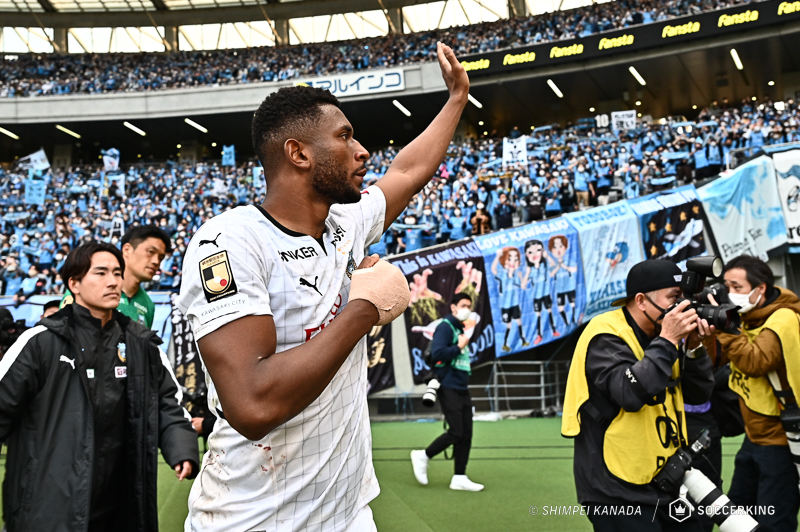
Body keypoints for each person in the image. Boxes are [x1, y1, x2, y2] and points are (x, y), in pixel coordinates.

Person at [176, 42, 468, 531]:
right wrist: (363, 309)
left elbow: (408, 171)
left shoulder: (344, 224)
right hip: (252, 518)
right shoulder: (230, 241)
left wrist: (456, 99)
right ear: (298, 153)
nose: (362, 150)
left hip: (348, 512)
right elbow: (252, 404)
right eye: (344, 136)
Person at [0, 241, 198, 531]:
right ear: (74, 284)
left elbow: (168, 402)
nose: (113, 282)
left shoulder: (141, 343)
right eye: (101, 273)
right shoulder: (40, 342)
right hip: (48, 507)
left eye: (117, 273)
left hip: (120, 506)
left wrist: (181, 448)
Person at [562, 259, 714, 531]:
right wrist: (668, 340)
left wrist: (693, 347)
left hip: (665, 476)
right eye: (674, 298)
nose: (682, 307)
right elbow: (629, 394)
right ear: (641, 300)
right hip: (616, 485)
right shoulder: (605, 332)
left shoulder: (662, 334)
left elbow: (697, 394)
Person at [713, 255, 800, 532]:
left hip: (781, 440)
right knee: (737, 516)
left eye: (737, 287)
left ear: (760, 288)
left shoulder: (783, 318)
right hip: (754, 436)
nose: (729, 294)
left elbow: (755, 361)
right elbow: (716, 359)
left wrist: (725, 326)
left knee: (774, 521)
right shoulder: (747, 317)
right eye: (726, 286)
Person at [410, 293, 483, 491]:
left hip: (461, 386)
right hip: (448, 384)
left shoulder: (459, 328)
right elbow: (438, 353)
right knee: (457, 431)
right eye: (463, 305)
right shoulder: (445, 326)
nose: (467, 309)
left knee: (466, 433)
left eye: (469, 306)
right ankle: (423, 455)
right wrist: (458, 346)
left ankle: (459, 476)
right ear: (453, 307)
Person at [60, 225, 171, 328]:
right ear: (127, 250)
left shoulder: (148, 305)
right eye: (150, 252)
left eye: (161, 258)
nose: (156, 261)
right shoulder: (85, 290)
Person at [492, 247, 529, 352]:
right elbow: (493, 270)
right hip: (505, 305)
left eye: (515, 259)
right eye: (509, 259)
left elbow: (523, 286)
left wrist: (523, 276)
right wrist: (497, 256)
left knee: (519, 321)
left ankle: (523, 340)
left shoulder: (515, 276)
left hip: (514, 303)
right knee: (508, 325)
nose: (512, 262)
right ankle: (505, 344)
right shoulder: (502, 274)